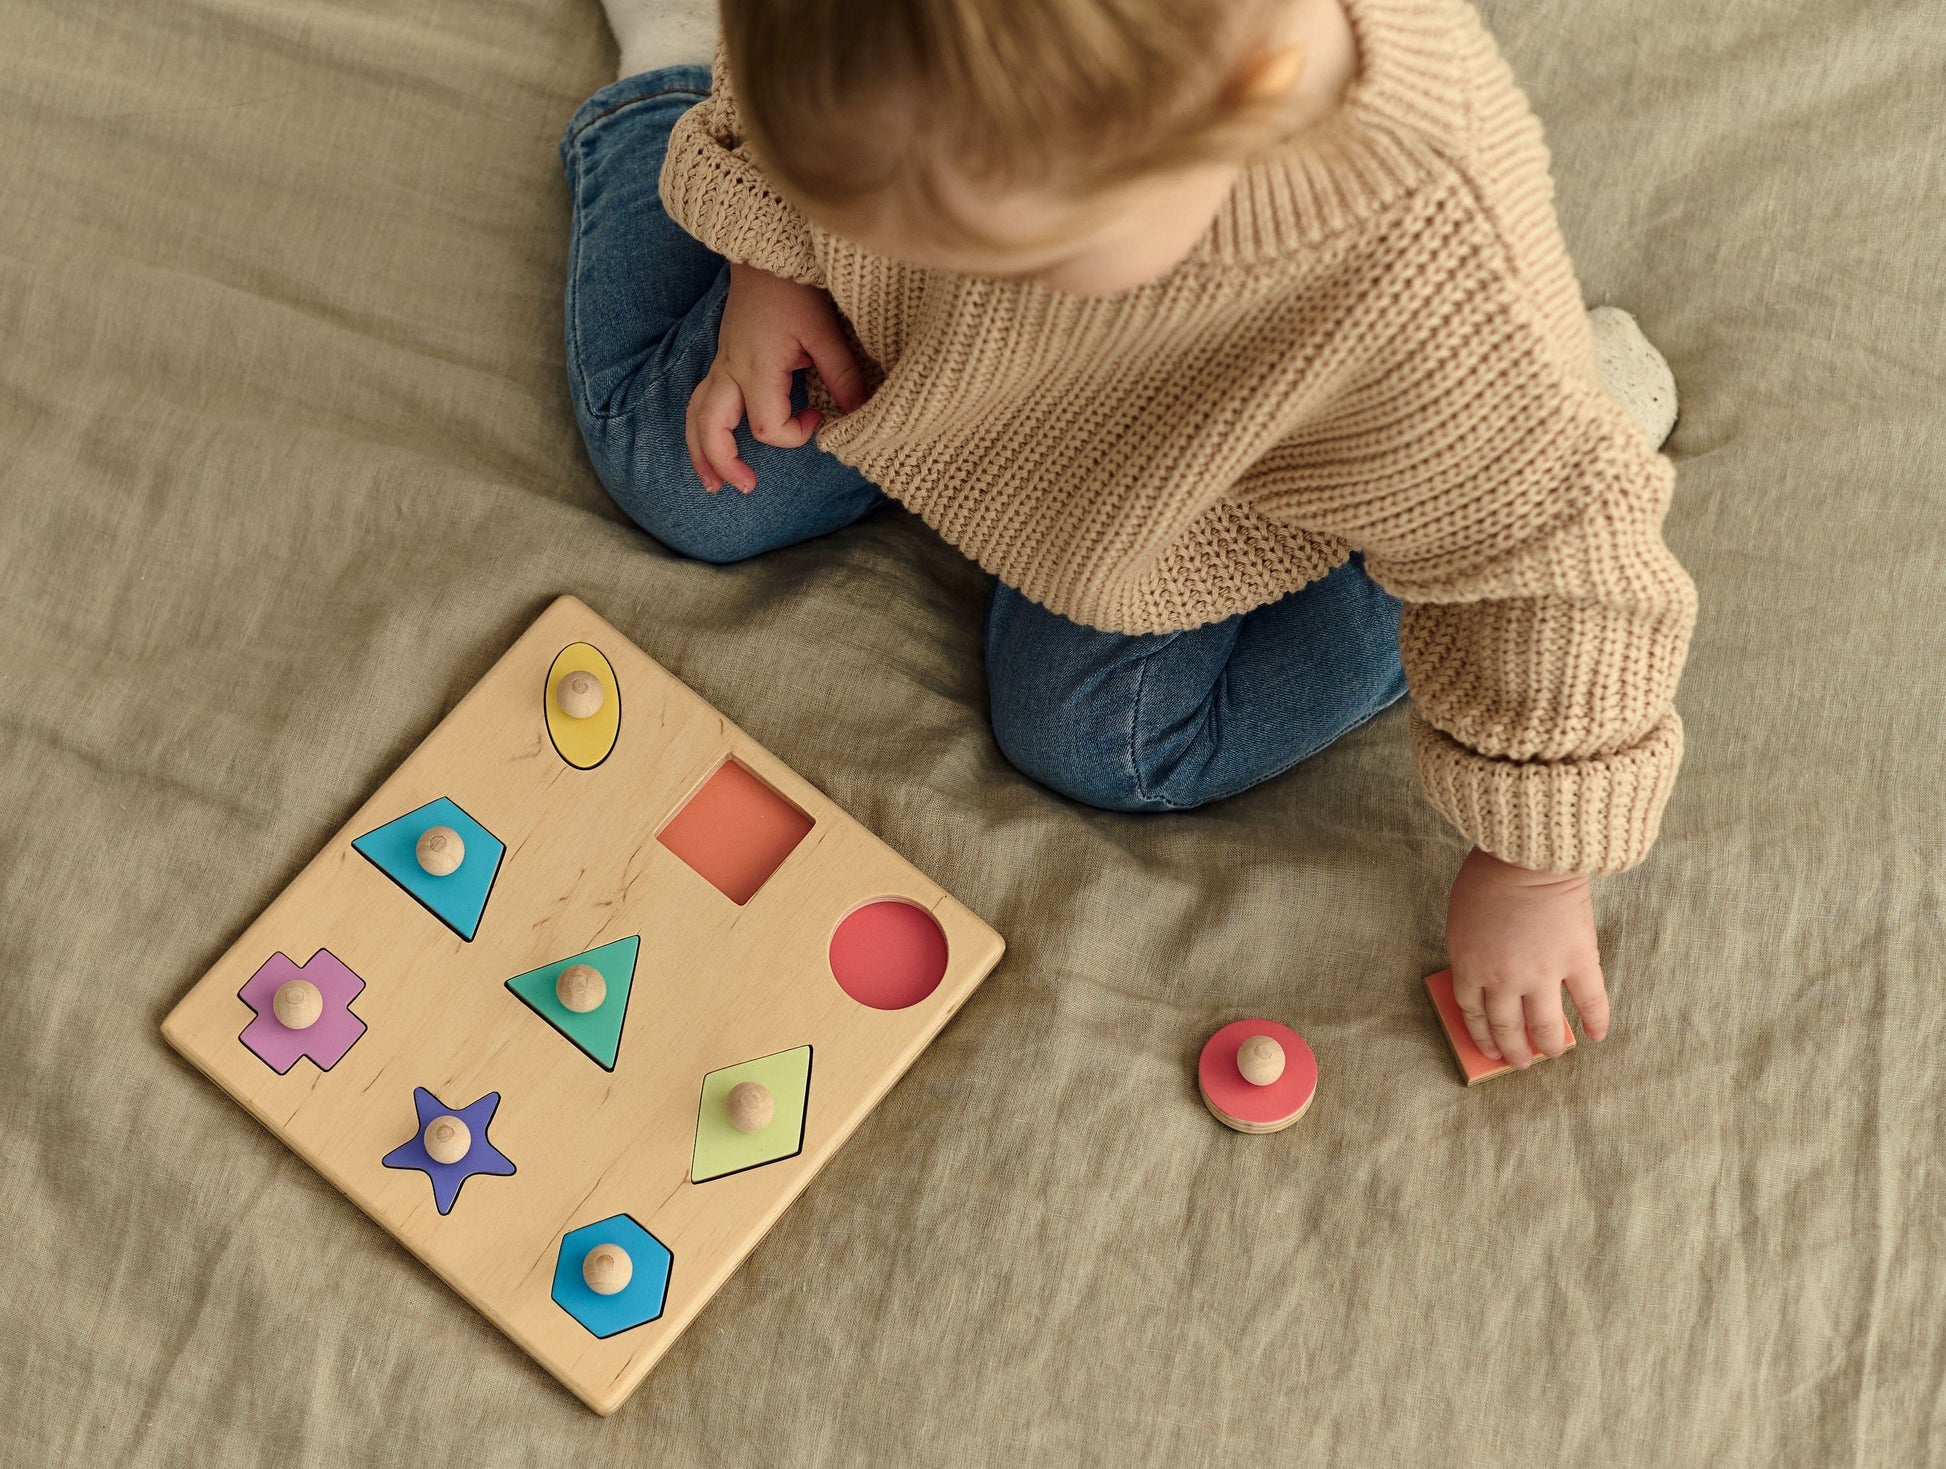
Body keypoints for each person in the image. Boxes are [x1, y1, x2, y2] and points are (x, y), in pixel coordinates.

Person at [558, 0, 1698, 1069]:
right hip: (895, 339)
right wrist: (774, 246)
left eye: (992, 242)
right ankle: (675, 60)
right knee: (676, 474)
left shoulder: (1439, 279)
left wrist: (1531, 871)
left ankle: (1571, 412)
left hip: (1179, 500)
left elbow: (1565, 584)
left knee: (1106, 743)